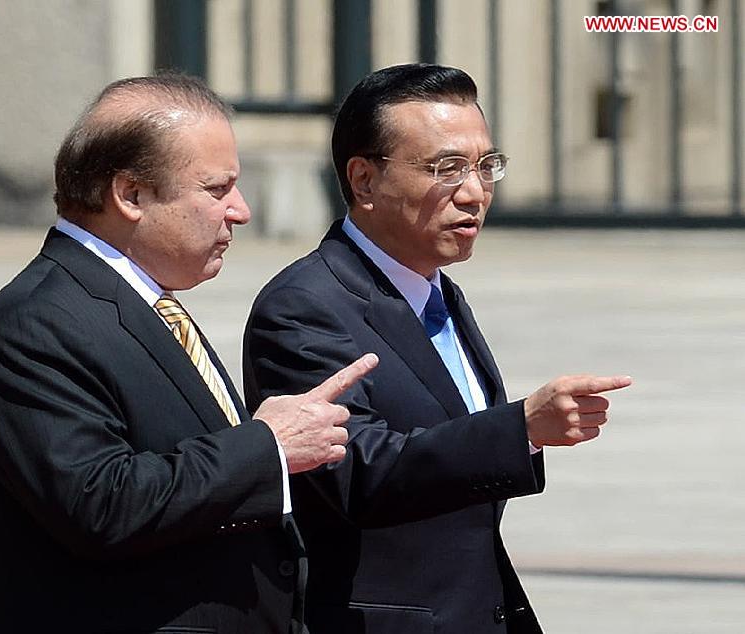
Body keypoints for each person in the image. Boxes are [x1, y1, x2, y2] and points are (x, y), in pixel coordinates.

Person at [0, 74, 377, 634]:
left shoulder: (144, 303)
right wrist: (266, 446)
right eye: (216, 189)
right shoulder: (31, 328)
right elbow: (102, 505)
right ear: (130, 195)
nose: (241, 211)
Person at [243, 64, 632, 634]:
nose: (474, 192)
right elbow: (357, 471)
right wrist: (519, 428)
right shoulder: (304, 307)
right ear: (364, 180)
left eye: (484, 166)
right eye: (446, 169)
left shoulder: (435, 289)